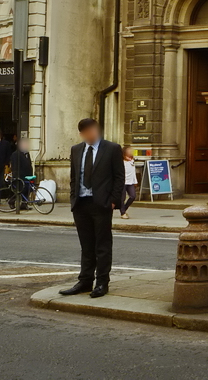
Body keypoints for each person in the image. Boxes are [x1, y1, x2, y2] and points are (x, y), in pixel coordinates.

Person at [59, 117, 124, 298]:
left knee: (102, 246)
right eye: (86, 132)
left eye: (93, 130)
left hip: (101, 204)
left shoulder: (111, 149)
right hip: (81, 204)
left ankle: (102, 283)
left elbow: (119, 177)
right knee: (86, 245)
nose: (91, 134)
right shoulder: (76, 150)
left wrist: (113, 201)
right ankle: (85, 281)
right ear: (81, 134)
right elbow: (74, 177)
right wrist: (73, 198)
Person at [10, 138, 35, 209]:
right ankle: (11, 201)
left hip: (27, 175)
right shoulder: (15, 154)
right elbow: (14, 166)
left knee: (27, 189)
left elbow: (29, 164)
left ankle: (24, 204)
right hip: (20, 175)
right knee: (19, 190)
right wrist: (15, 175)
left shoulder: (27, 154)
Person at [119, 146, 137, 219]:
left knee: (133, 196)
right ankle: (123, 213)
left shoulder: (132, 160)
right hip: (123, 181)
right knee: (122, 198)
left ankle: (124, 209)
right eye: (129, 150)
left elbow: (133, 172)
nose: (131, 152)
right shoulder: (121, 161)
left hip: (130, 181)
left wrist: (135, 181)